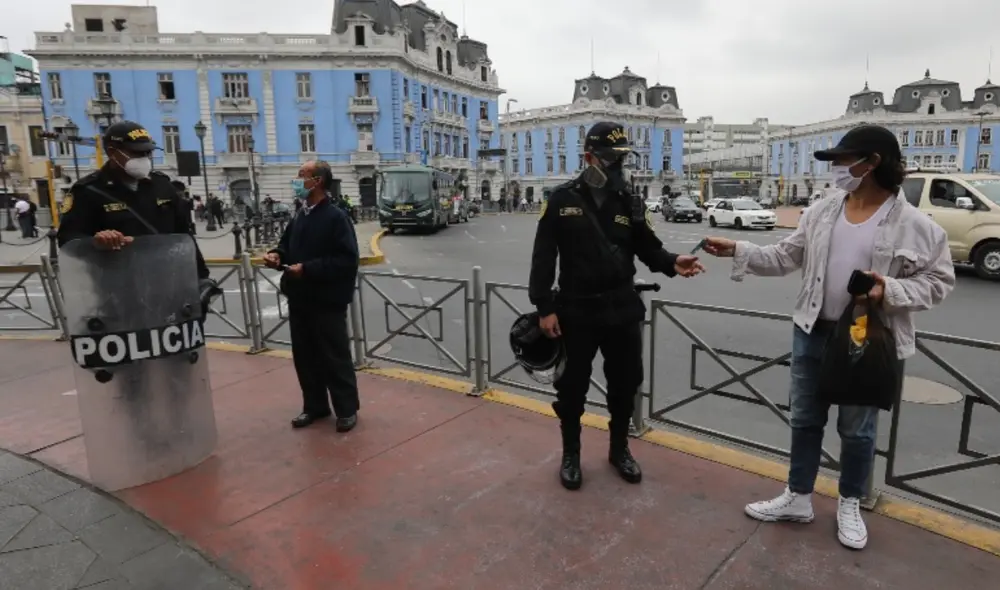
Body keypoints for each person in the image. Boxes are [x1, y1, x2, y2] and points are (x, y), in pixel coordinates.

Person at [702, 124, 955, 550]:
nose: (837, 169)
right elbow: (786, 255)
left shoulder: (916, 226)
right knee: (804, 419)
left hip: (867, 338)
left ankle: (850, 503)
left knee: (857, 431)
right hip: (812, 330)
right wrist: (739, 250)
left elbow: (939, 281)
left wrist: (888, 290)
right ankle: (798, 497)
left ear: (871, 163)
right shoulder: (823, 210)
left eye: (843, 160)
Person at [529, 121, 704, 491]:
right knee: (572, 388)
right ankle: (571, 454)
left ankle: (619, 448)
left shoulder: (630, 202)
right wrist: (545, 307)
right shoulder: (562, 200)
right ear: (589, 157)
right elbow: (543, 257)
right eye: (609, 158)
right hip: (575, 310)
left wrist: (673, 262)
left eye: (621, 158)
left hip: (622, 308)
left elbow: (648, 247)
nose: (615, 166)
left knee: (625, 384)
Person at [262, 160, 361, 432]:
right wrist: (277, 255)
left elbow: (346, 259)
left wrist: (307, 269)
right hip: (300, 298)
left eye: (301, 175)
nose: (297, 180)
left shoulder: (336, 217)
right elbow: (287, 245)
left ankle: (346, 409)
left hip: (326, 301)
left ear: (317, 181)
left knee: (334, 356)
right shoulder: (301, 215)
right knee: (305, 357)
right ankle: (315, 406)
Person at [57, 120, 210, 281]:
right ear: (112, 152)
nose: (144, 159)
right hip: (116, 284)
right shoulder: (88, 190)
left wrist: (202, 278)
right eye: (136, 153)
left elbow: (184, 234)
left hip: (165, 281)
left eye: (147, 153)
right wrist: (95, 242)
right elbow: (67, 238)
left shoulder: (162, 185)